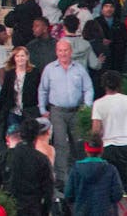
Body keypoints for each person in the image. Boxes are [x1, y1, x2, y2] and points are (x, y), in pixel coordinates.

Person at [38, 39, 94, 188]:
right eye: (60, 50)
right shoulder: (50, 69)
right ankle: (62, 179)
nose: (63, 53)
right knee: (60, 144)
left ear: (71, 52)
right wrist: (43, 110)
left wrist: (87, 107)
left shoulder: (79, 68)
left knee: (79, 143)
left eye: (66, 50)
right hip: (57, 111)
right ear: (56, 52)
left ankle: (79, 175)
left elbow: (88, 88)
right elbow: (43, 90)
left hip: (76, 111)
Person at [90, 70, 127, 216]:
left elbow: (96, 131)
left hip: (106, 149)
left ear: (103, 85)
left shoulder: (98, 104)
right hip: (124, 148)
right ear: (120, 84)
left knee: (105, 187)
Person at [0, 119, 53, 216]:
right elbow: (48, 192)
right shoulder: (42, 159)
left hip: (9, 207)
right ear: (36, 136)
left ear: (20, 134)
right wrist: (44, 212)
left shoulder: (6, 155)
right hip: (32, 209)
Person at [63, 135, 123, 216]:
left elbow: (68, 195)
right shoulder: (111, 170)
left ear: (86, 150)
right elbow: (117, 194)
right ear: (102, 150)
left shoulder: (76, 169)